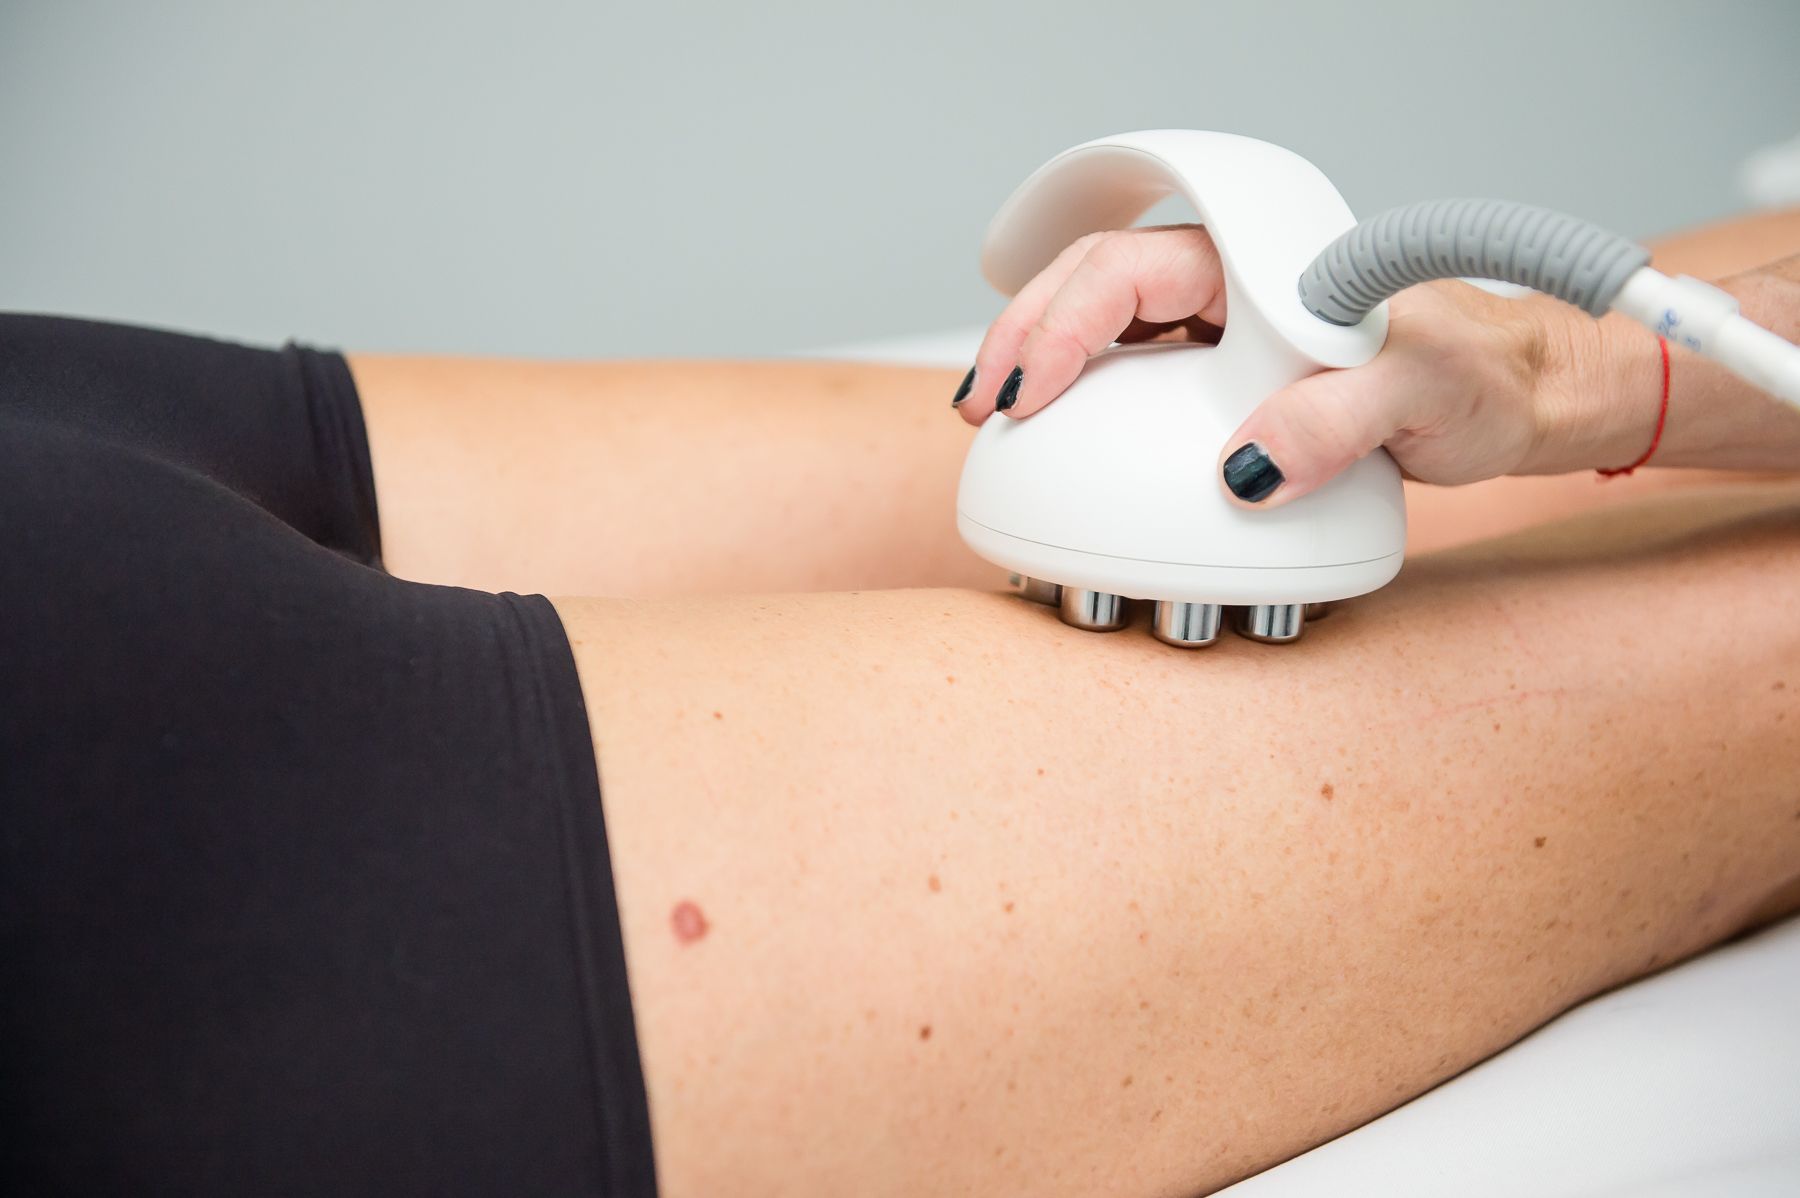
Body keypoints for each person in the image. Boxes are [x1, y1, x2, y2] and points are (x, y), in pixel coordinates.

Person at [2, 205, 1798, 1198]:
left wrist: (1592, 370)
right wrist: (1610, 375)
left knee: (1355, 407)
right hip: (106, 611)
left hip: (134, 738)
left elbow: (1540, 374)